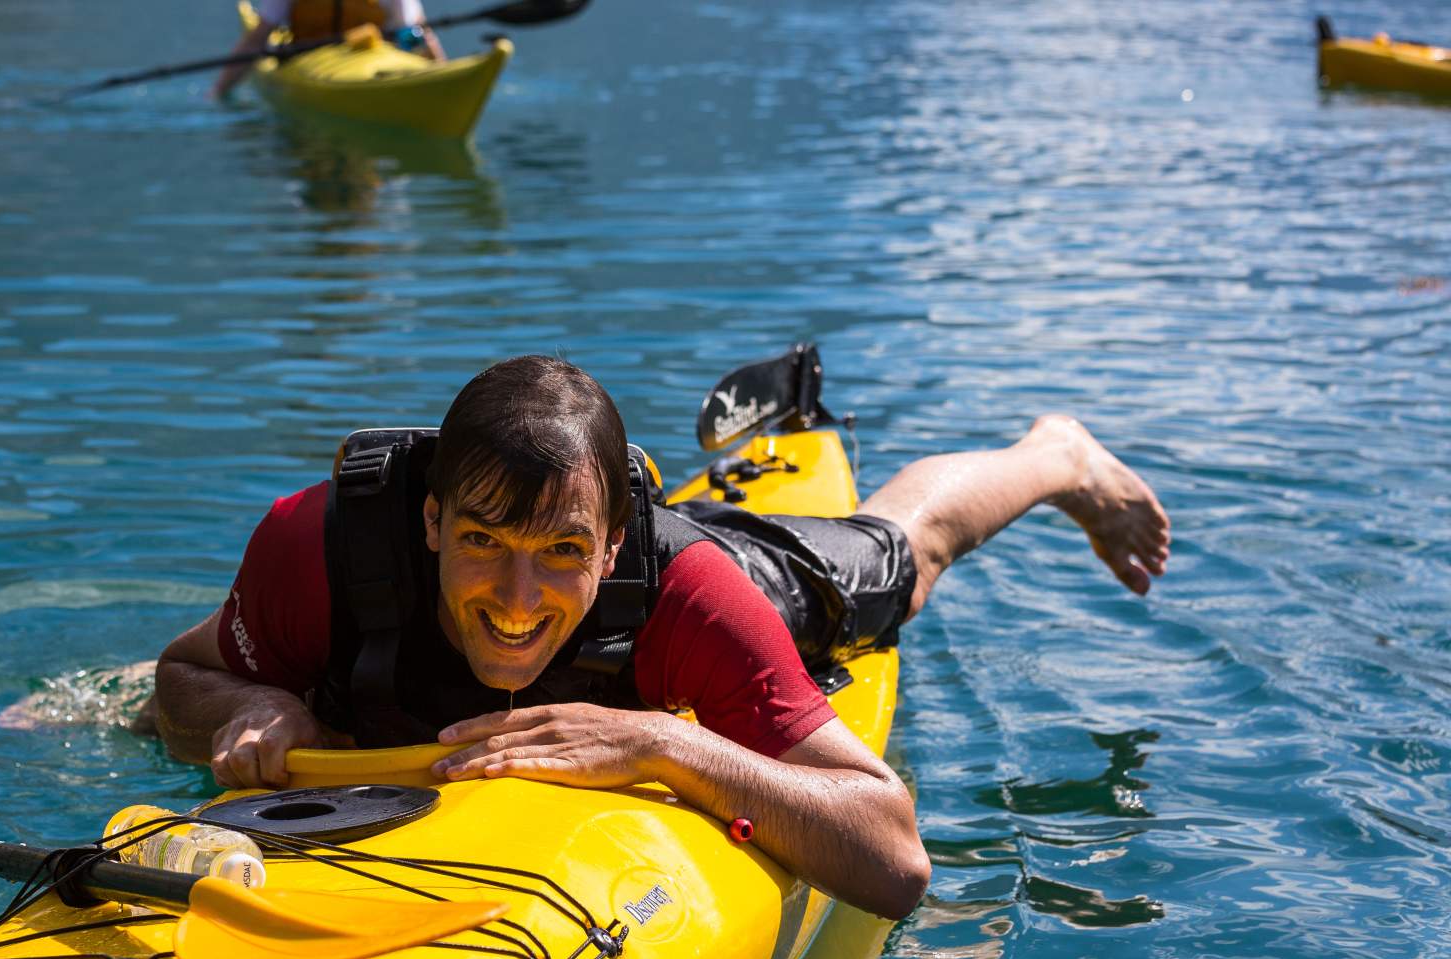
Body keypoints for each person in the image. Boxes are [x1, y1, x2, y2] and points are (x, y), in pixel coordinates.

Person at [129, 355, 1170, 921]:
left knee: (900, 559)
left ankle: (1058, 453)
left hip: (727, 598)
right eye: (485, 541)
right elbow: (179, 676)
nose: (518, 598)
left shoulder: (689, 596)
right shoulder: (316, 550)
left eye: (562, 553)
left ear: (615, 543)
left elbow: (897, 859)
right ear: (432, 522)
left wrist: (668, 744)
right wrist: (248, 703)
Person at [213, 0, 448, 100]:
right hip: (310, 57)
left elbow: (418, 34)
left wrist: (444, 78)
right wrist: (219, 90)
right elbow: (257, 40)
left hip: (377, 57)